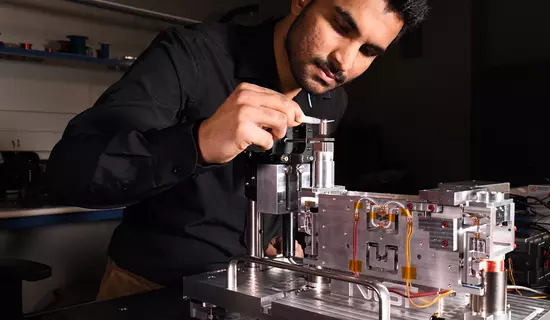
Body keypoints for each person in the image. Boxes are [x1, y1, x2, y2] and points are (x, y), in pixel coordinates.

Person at [46, 0, 429, 301]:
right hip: (149, 289)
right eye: (341, 27)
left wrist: (289, 234)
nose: (343, 61)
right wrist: (199, 143)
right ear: (302, 1)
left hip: (262, 291)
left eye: (368, 51)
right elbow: (71, 172)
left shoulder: (329, 102)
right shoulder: (191, 56)